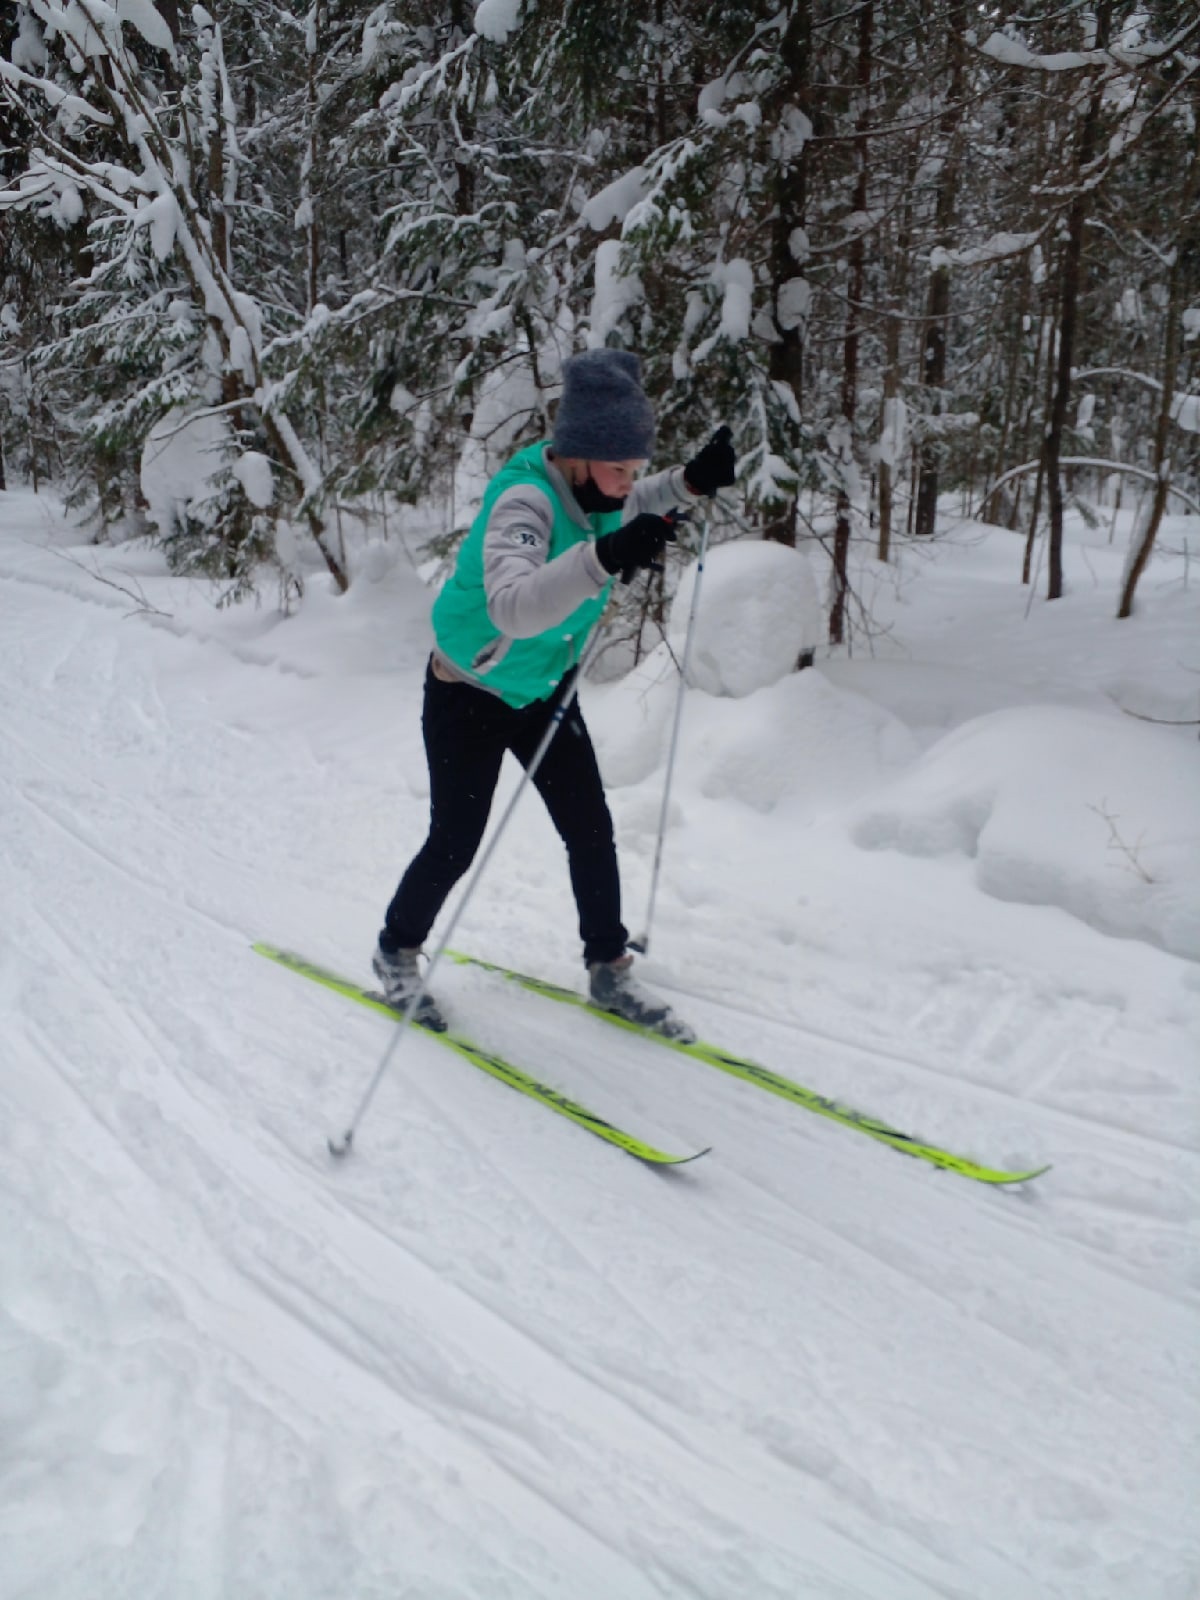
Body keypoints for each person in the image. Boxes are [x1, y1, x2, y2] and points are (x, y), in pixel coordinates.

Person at [374, 348, 736, 1037]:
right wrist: (605, 556)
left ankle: (608, 967)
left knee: (589, 827)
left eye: (635, 469)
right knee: (455, 840)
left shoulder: (600, 483)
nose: (630, 482)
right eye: (620, 469)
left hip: (542, 688)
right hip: (469, 688)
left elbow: (641, 500)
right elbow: (513, 607)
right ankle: (395, 951)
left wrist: (687, 482)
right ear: (579, 454)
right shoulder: (525, 501)